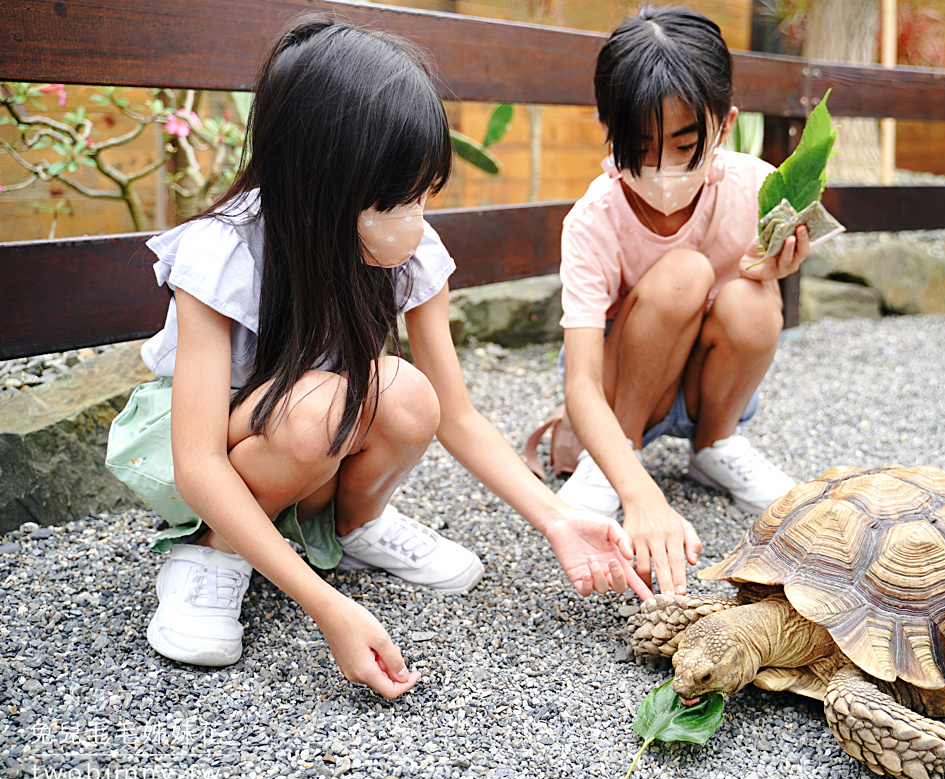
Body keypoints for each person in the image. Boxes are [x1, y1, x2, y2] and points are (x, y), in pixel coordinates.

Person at [105, 14, 648, 701]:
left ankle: (353, 526)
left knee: (409, 392)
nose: (414, 216)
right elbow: (198, 460)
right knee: (318, 411)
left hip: (311, 427)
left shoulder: (407, 248)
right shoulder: (225, 252)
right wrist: (327, 609)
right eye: (397, 197)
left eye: (421, 194)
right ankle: (215, 550)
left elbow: (457, 416)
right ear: (320, 185)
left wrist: (557, 518)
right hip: (216, 449)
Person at [555, 6, 812, 597]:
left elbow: (752, 311)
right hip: (625, 386)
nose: (663, 167)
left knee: (751, 299)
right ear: (606, 126)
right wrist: (639, 492)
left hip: (701, 377)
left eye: (685, 144)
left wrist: (774, 273)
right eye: (640, 145)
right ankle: (614, 454)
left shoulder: (755, 188)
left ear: (723, 127)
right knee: (685, 272)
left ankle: (715, 443)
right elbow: (581, 382)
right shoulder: (594, 219)